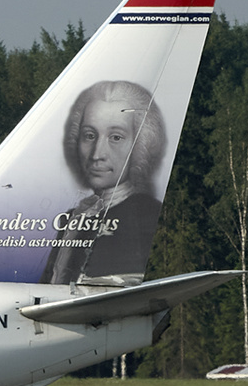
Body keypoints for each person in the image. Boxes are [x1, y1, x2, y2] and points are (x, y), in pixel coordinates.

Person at [39, 81, 166, 285]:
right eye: (89, 136)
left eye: (116, 137)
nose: (97, 154)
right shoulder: (74, 216)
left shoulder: (145, 216)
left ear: (141, 145)